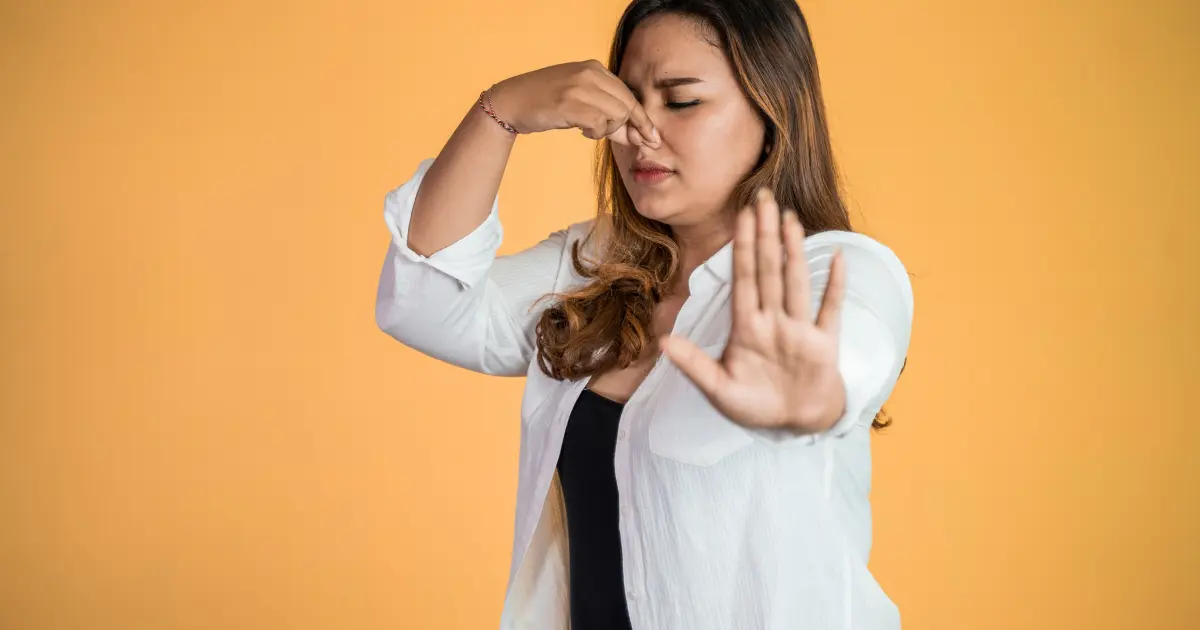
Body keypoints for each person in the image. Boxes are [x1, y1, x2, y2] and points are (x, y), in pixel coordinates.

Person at [375, 0, 913, 627]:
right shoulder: (592, 265)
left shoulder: (832, 268)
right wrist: (501, 112)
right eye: (627, 102)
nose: (641, 132)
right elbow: (427, 304)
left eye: (681, 101)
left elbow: (855, 341)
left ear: (774, 111)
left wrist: (814, 398)